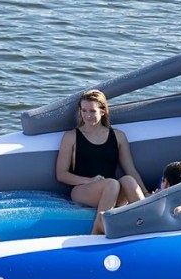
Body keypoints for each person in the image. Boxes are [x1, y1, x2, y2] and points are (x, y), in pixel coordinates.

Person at [55, 89, 148, 234]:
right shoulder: (71, 137)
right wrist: (89, 180)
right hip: (82, 190)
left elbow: (130, 169)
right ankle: (99, 227)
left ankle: (148, 222)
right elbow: (61, 174)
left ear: (103, 111)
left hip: (112, 191)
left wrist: (146, 192)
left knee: (128, 180)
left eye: (92, 111)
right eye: (83, 110)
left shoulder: (118, 136)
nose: (87, 116)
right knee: (112, 183)